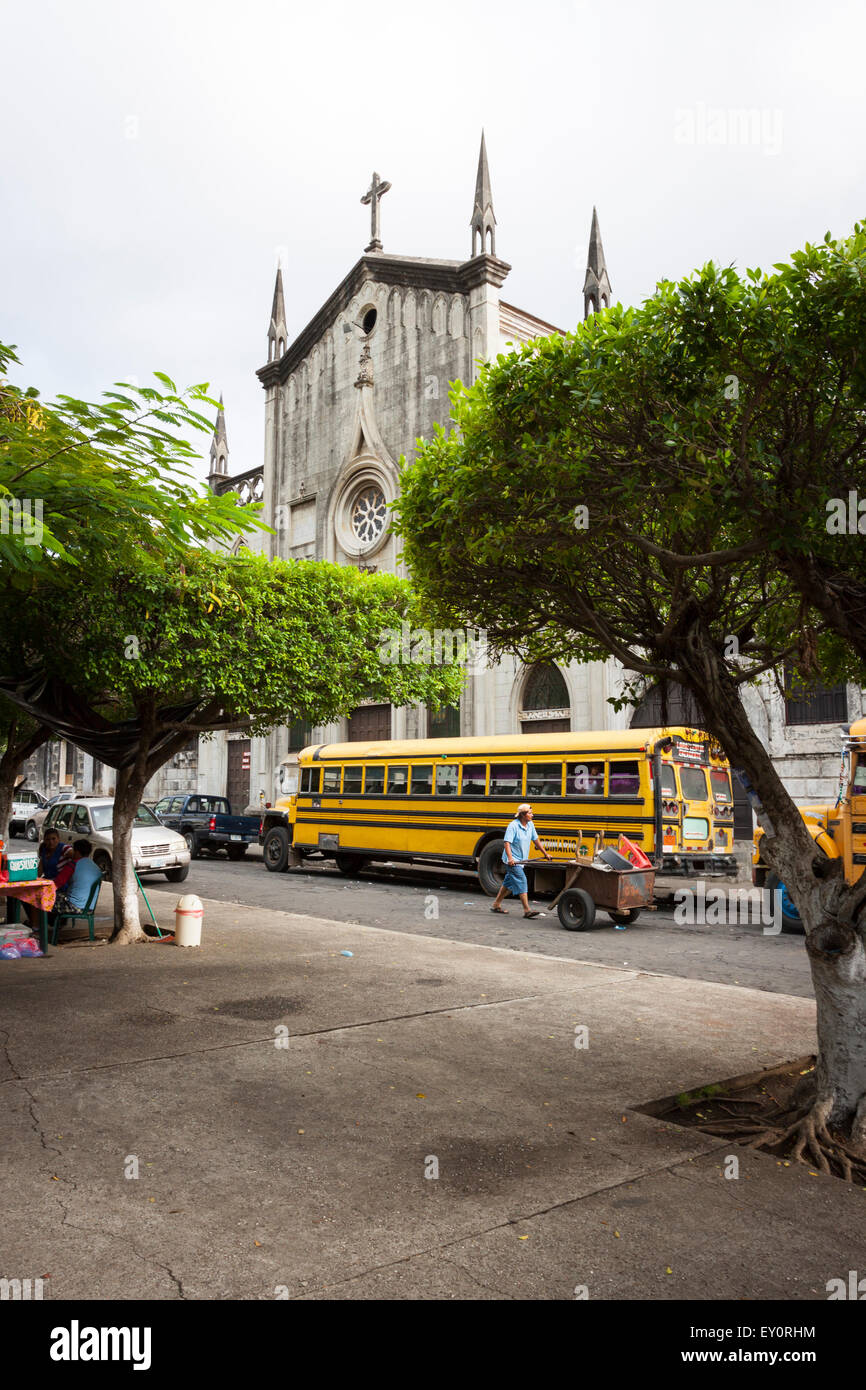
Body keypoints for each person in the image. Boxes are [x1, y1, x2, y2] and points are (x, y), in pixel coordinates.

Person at [490, 802, 551, 919]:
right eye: (530, 813)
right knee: (522, 880)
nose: (532, 815)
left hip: (522, 860)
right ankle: (527, 910)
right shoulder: (513, 826)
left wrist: (545, 853)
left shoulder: (530, 825)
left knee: (508, 883)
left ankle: (496, 904)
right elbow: (507, 843)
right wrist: (510, 858)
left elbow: (536, 840)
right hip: (512, 861)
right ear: (523, 815)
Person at [49, 839, 102, 928]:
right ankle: (58, 924)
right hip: (89, 907)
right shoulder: (95, 866)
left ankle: (39, 927)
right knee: (61, 895)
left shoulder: (73, 865)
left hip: (75, 907)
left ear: (77, 851)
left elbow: (56, 884)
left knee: (44, 899)